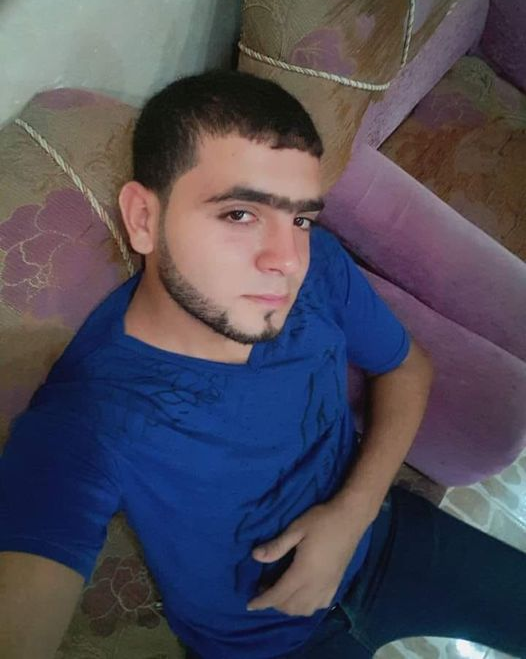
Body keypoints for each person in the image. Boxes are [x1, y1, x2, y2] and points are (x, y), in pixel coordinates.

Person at [0, 71, 524, 659]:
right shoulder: (90, 417)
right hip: (268, 644)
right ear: (144, 219)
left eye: (300, 218)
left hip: (383, 532)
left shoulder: (318, 265)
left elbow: (407, 368)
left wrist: (350, 515)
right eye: (240, 214)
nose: (287, 260)